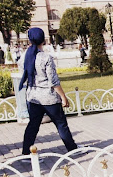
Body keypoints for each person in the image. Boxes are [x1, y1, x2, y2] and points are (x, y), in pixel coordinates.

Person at [19, 28, 79, 160]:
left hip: (33, 97)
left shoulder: (25, 57)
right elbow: (53, 81)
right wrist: (63, 97)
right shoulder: (46, 58)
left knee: (33, 126)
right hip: (49, 97)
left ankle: (25, 153)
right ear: (43, 40)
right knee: (61, 123)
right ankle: (72, 149)